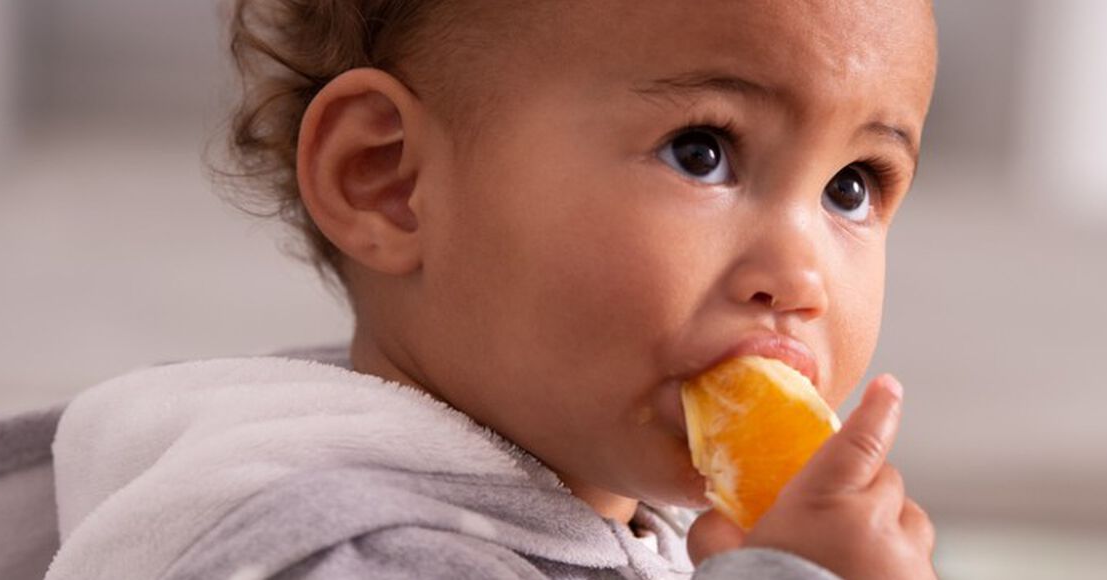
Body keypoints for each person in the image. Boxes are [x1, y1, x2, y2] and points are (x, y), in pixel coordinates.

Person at [46, 1, 940, 578]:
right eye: (701, 151)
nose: (799, 276)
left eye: (851, 185)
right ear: (388, 181)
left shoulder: (628, 516)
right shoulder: (342, 555)